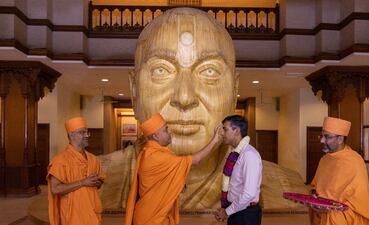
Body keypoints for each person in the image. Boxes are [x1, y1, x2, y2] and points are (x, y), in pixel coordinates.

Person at [99, 7, 308, 211]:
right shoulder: (103, 178)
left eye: (209, 71)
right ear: (134, 91)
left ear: (234, 91)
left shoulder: (283, 182)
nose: (184, 97)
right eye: (161, 70)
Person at [124, 113, 221, 225]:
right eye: (165, 129)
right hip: (152, 218)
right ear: (156, 136)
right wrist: (214, 141)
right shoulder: (156, 156)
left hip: (150, 214)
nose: (169, 132)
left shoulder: (149, 153)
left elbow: (163, 179)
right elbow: (196, 160)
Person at [309, 117, 369, 225]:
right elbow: (315, 187)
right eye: (322, 135)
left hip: (340, 219)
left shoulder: (354, 162)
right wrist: (314, 198)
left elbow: (358, 204)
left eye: (327, 137)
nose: (321, 140)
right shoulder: (324, 160)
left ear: (340, 139)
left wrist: (330, 210)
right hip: (321, 217)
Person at [47, 117, 105, 225]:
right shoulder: (60, 161)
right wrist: (82, 182)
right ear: (71, 135)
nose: (87, 135)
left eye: (87, 132)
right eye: (82, 132)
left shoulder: (93, 159)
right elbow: (55, 189)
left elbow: (100, 181)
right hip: (73, 215)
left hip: (92, 210)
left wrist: (98, 182)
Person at [214, 115, 262, 225]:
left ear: (236, 131)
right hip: (237, 210)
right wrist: (228, 210)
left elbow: (249, 193)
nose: (222, 133)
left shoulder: (249, 154)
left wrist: (227, 212)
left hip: (246, 214)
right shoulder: (236, 154)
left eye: (225, 129)